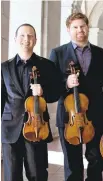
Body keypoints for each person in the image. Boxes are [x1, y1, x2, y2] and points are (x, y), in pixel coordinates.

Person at [49, 12, 103, 181]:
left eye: (83, 26)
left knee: (98, 159)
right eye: (75, 27)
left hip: (97, 114)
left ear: (88, 28)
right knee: (72, 163)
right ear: (68, 30)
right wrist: (66, 84)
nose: (80, 30)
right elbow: (51, 87)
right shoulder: (58, 53)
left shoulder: (102, 54)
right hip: (69, 116)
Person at [1, 23, 61, 181]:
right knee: (11, 175)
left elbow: (56, 92)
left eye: (30, 36)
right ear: (15, 39)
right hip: (10, 127)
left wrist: (43, 92)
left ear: (35, 40)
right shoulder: (4, 67)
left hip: (37, 127)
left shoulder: (47, 65)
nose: (26, 39)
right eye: (22, 35)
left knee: (37, 174)